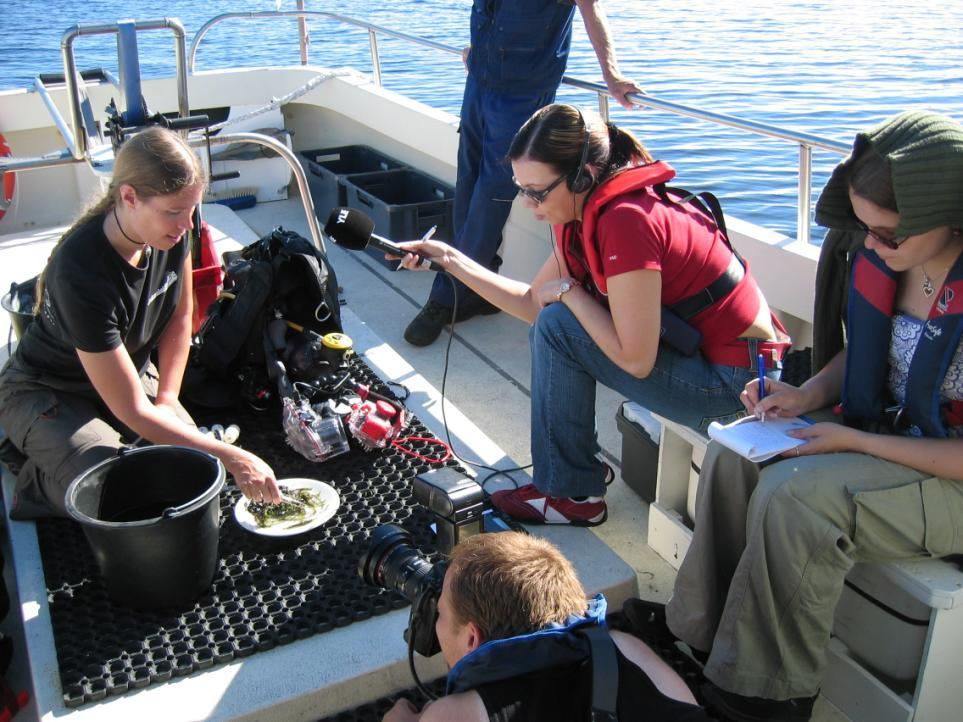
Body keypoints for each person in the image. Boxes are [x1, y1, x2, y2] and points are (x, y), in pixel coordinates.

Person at [664, 110, 963, 722]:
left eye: (888, 235)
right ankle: (704, 639)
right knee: (733, 450)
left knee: (795, 497)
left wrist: (850, 438)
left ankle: (766, 696)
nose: (870, 245)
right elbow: (879, 352)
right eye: (865, 229)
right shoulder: (899, 259)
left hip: (948, 471)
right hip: (888, 431)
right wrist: (805, 396)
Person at [398, 103, 789, 525]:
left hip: (737, 387)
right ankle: (576, 473)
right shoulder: (578, 209)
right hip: (702, 359)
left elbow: (635, 360)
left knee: (558, 327)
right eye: (520, 188)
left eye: (536, 191)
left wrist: (569, 294)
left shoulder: (626, 221)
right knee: (553, 322)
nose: (526, 203)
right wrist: (448, 259)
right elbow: (532, 302)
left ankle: (573, 494)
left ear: (582, 176)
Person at [0, 126, 281, 520]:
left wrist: (167, 399)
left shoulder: (173, 233)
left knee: (192, 475)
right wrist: (234, 455)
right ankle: (34, 479)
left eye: (191, 210)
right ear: (129, 197)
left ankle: (77, 445)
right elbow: (132, 408)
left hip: (127, 373)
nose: (186, 224)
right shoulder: (80, 271)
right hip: (49, 390)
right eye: (172, 211)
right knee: (117, 487)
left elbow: (181, 318)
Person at [403, 0, 644, 347]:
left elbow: (592, 10)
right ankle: (482, 290)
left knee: (490, 198)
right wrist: (480, 49)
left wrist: (611, 73)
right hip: (480, 80)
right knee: (467, 186)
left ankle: (446, 298)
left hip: (520, 92)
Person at [383, 531, 709, 722]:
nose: (435, 621)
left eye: (440, 613)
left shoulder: (457, 715)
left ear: (472, 638)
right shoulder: (626, 648)